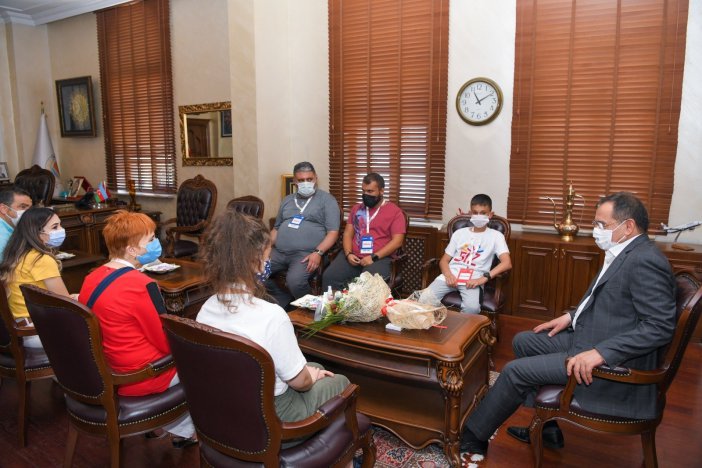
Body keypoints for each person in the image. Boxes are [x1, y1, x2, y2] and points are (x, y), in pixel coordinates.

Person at [459, 192, 677, 456]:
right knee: (524, 341)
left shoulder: (645, 260)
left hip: (610, 361)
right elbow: (609, 303)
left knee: (515, 372)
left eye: (601, 225)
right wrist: (571, 317)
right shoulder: (625, 250)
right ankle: (546, 426)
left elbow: (659, 326)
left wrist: (601, 353)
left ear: (628, 226)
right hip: (592, 335)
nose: (596, 231)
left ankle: (472, 437)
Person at [197, 209, 351, 425]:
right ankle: (338, 454)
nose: (268, 264)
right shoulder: (272, 316)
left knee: (317, 367)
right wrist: (310, 377)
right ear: (254, 261)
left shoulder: (205, 309)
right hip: (274, 419)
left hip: (227, 411)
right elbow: (302, 383)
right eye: (267, 257)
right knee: (340, 381)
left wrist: (310, 373)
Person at [78, 211, 196, 448]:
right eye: (150, 239)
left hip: (105, 365)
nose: (156, 243)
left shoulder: (92, 277)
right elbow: (163, 342)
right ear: (131, 249)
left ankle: (167, 426)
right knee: (201, 363)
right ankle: (188, 431)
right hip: (139, 376)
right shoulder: (141, 285)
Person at [265, 162, 340, 308]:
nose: (306, 183)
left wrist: (318, 252)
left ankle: (309, 310)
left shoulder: (327, 200)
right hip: (278, 253)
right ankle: (282, 297)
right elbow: (276, 228)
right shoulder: (287, 200)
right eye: (301, 180)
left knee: (295, 281)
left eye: (309, 179)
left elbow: (333, 233)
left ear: (316, 179)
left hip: (305, 255)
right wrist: (264, 249)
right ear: (294, 181)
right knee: (253, 270)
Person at [427, 194, 511, 313]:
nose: (478, 216)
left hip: (474, 279)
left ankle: (462, 331)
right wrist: (448, 274)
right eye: (475, 212)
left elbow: (507, 263)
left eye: (483, 213)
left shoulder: (496, 236)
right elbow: (444, 260)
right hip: (450, 276)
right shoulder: (459, 233)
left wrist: (483, 279)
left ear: (490, 214)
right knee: (425, 299)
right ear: (470, 213)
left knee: (472, 308)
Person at [0, 207, 71, 348]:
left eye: (60, 224)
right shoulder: (41, 259)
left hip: (20, 328)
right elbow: (66, 304)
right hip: (38, 331)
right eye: (55, 227)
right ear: (37, 232)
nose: (61, 230)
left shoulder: (17, 254)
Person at [322, 173, 406, 290]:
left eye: (370, 191)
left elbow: (397, 242)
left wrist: (373, 257)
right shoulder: (356, 209)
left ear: (381, 191)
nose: (366, 195)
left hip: (380, 258)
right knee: (329, 277)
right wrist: (348, 254)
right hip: (353, 257)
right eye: (364, 191)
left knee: (365, 286)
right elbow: (347, 234)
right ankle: (334, 308)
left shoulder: (395, 212)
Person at [0, 187, 33, 260]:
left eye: (30, 208)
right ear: (4, 209)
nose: (28, 212)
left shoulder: (12, 226)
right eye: (23, 207)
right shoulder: (2, 238)